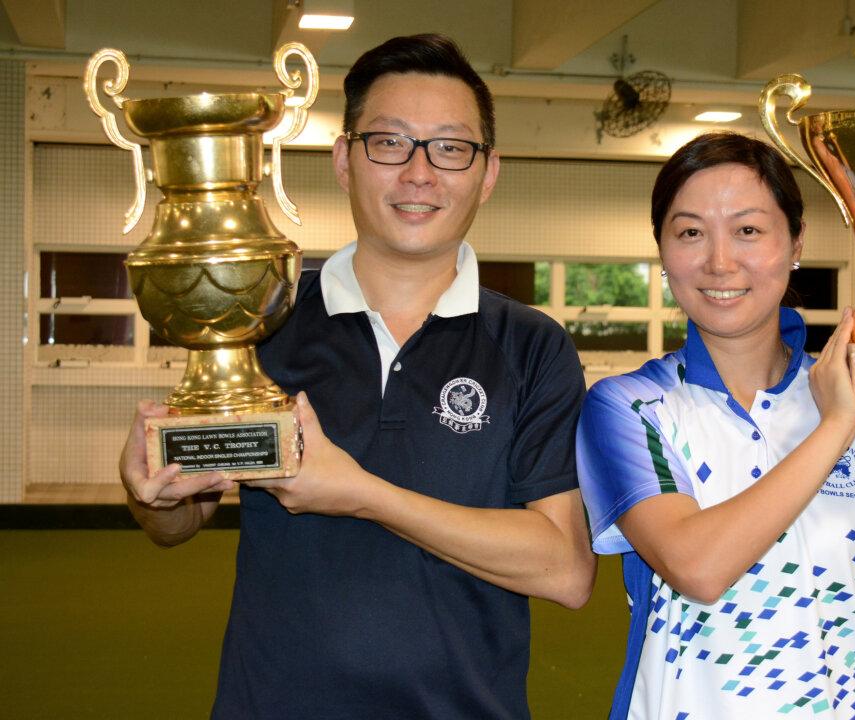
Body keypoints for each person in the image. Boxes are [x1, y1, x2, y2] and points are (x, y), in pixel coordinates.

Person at [119, 34, 595, 719]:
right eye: (390, 142)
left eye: (451, 147)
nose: (420, 173)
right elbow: (176, 522)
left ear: (488, 173)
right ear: (344, 160)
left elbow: (565, 568)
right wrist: (153, 490)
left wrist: (362, 493)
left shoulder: (531, 347)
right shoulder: (263, 318)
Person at [576, 132, 855, 719]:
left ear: (795, 242)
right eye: (690, 232)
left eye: (748, 230)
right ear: (663, 252)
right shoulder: (630, 405)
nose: (720, 261)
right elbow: (698, 568)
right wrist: (835, 427)